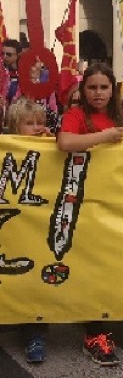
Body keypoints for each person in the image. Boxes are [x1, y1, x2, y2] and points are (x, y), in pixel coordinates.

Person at [57, 63, 123, 365]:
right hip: (83, 203)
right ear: (83, 90)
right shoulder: (76, 115)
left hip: (114, 200)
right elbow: (66, 142)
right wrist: (104, 137)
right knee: (91, 265)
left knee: (109, 264)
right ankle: (94, 333)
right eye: (92, 87)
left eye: (104, 87)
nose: (98, 93)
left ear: (113, 89)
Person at [4, 98, 52, 362]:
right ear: (14, 127)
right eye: (29, 123)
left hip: (36, 226)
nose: (37, 128)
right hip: (12, 226)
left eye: (40, 123)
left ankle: (35, 334)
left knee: (34, 279)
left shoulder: (51, 147)